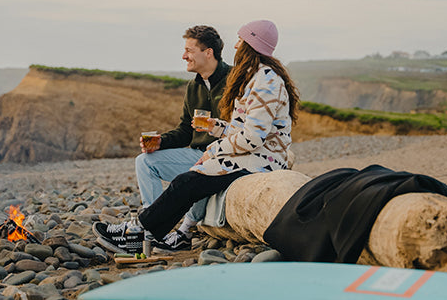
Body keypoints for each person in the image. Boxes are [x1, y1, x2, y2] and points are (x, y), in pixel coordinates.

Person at [94, 19, 300, 252]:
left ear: (251, 44)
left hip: (261, 161)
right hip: (250, 155)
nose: (235, 46)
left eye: (240, 40)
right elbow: (242, 128)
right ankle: (141, 231)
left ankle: (139, 232)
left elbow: (252, 138)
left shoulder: (266, 80)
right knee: (188, 179)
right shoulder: (256, 77)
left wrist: (213, 151)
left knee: (188, 180)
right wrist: (217, 127)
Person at [94, 25, 231, 252]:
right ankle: (151, 226)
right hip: (196, 154)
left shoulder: (233, 81)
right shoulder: (193, 86)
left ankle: (152, 231)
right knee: (145, 161)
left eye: (189, 50)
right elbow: (186, 131)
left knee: (198, 172)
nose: (183, 56)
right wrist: (161, 142)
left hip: (221, 158)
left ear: (208, 53)